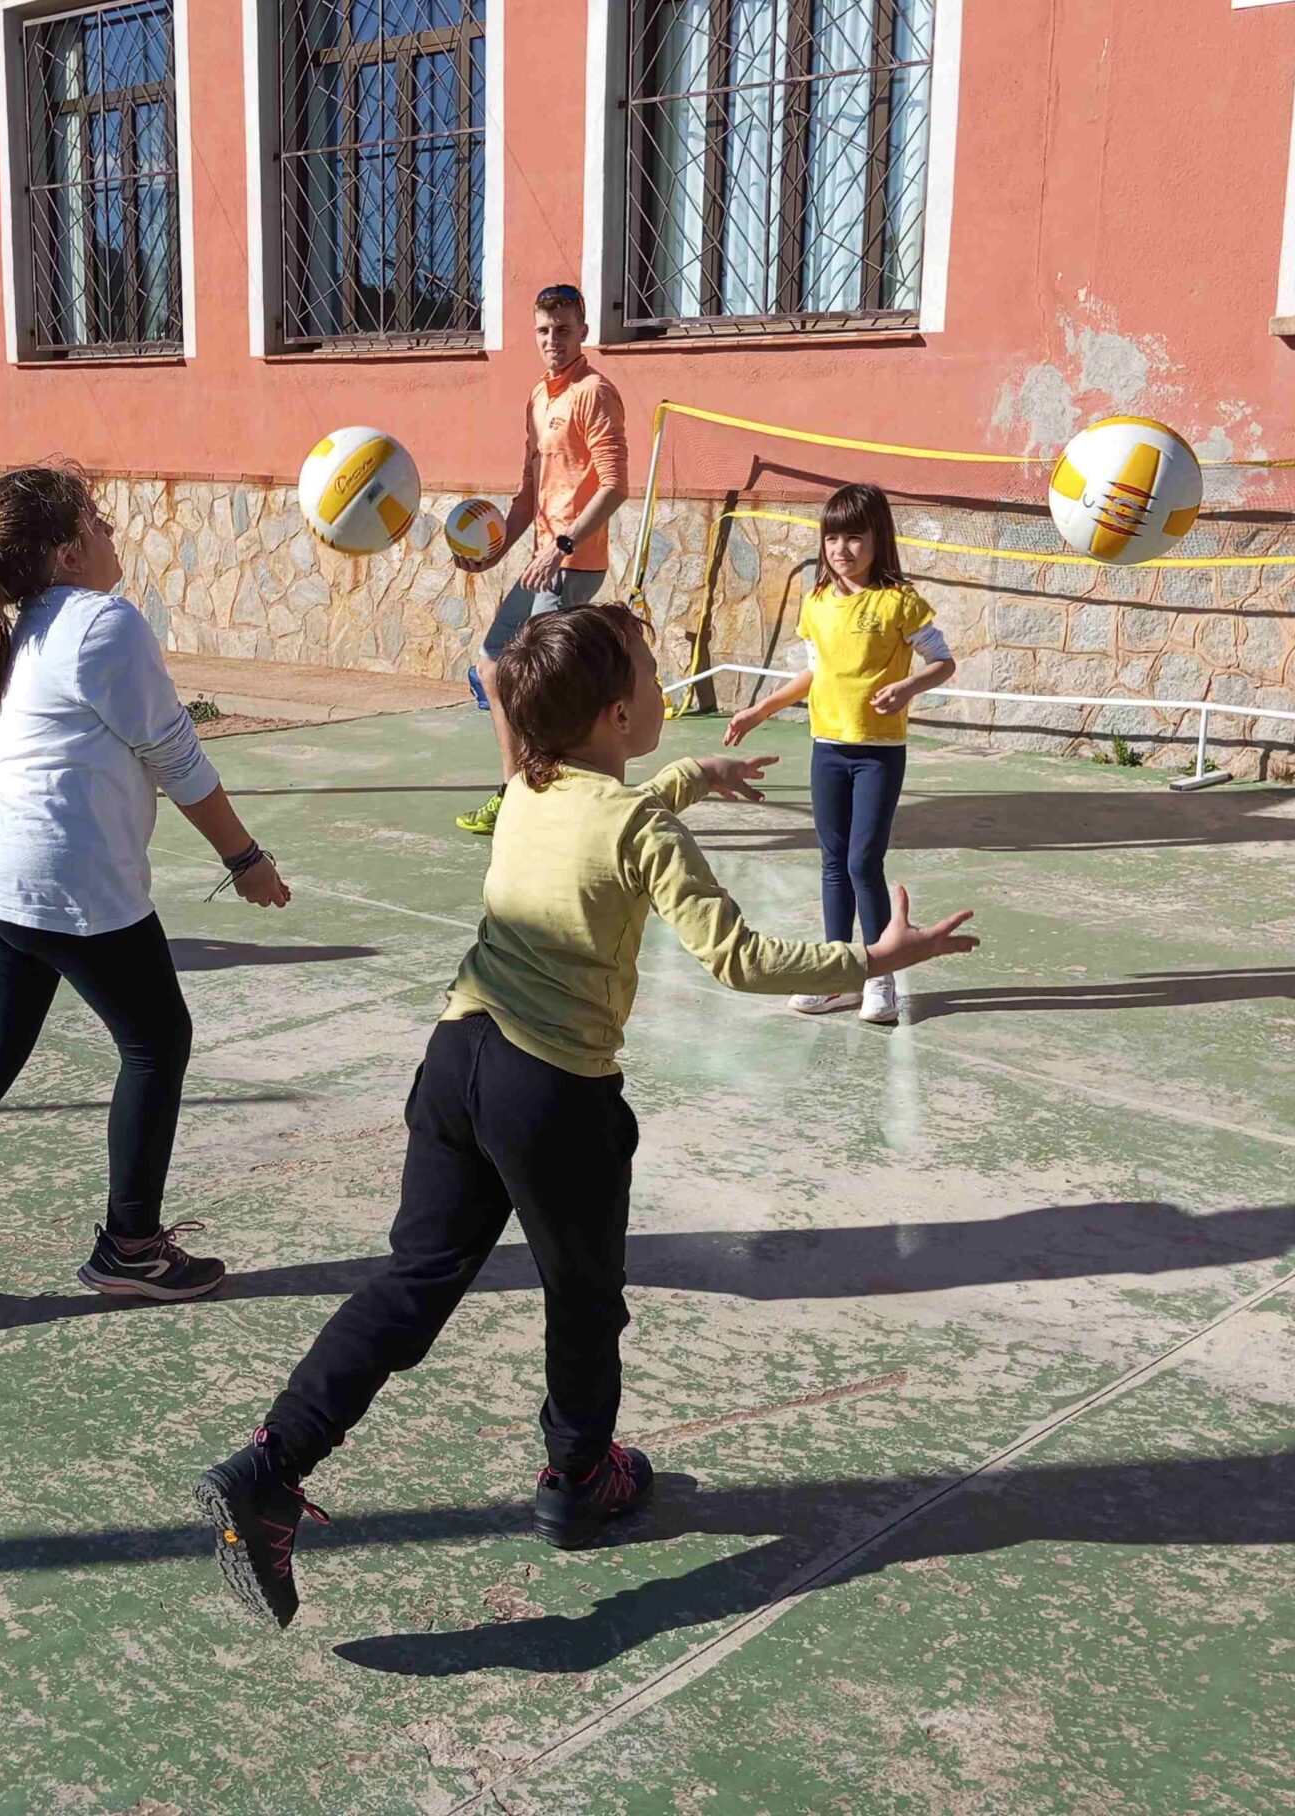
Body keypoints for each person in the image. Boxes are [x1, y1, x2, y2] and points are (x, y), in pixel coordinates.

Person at [195, 602, 978, 1628]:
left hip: (456, 1056)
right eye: (656, 677)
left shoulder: (530, 784)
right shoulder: (638, 825)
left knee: (414, 1279)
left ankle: (267, 1464)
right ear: (616, 712)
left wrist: (691, 779)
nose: (668, 690)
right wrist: (870, 959)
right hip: (551, 1092)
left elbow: (602, 815)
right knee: (582, 1294)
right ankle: (577, 1479)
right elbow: (737, 955)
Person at [0, 463, 290, 1302]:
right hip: (66, 882)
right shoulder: (104, 623)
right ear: (72, 547)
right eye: (102, 521)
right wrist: (245, 860)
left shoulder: (28, 623)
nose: (115, 534)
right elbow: (176, 756)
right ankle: (132, 1247)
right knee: (157, 1042)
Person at [721, 484, 956, 1025]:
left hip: (878, 755)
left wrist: (908, 688)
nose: (841, 549)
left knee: (861, 862)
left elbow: (942, 662)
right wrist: (760, 711)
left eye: (855, 537)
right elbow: (814, 673)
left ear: (879, 540)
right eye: (832, 537)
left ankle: (879, 978)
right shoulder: (818, 604)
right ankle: (838, 977)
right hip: (826, 749)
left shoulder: (899, 601)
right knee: (832, 864)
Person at [451, 283, 629, 836]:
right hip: (540, 560)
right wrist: (496, 549)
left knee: (538, 686)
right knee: (491, 665)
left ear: (584, 331)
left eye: (564, 329)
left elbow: (617, 486)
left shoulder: (594, 393)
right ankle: (515, 791)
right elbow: (529, 492)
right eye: (544, 331)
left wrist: (564, 544)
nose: (553, 340)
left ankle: (546, 802)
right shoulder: (537, 397)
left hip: (572, 561)